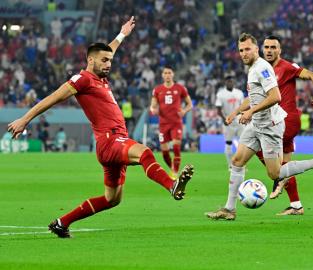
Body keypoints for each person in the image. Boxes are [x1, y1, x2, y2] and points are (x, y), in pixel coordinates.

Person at [7, 17, 194, 238]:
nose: (109, 64)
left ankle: (61, 223)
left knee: (112, 199)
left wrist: (122, 34)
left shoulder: (100, 77)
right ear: (90, 60)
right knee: (144, 153)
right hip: (110, 140)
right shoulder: (82, 79)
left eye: (110, 61)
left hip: (112, 144)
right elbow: (53, 98)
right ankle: (172, 185)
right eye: (104, 61)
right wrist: (25, 119)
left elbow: (109, 49)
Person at [205, 33, 313, 221]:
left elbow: (276, 97)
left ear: (256, 49)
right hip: (256, 124)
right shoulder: (253, 69)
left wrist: (250, 112)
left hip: (270, 126)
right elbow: (253, 97)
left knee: (275, 172)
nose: (243, 53)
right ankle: (229, 209)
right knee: (236, 161)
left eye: (247, 49)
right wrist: (236, 112)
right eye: (241, 50)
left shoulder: (262, 68)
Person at [256, 35, 313, 215]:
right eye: (266, 47)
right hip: (275, 121)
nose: (269, 50)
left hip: (285, 120)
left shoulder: (287, 67)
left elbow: (312, 75)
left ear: (279, 50)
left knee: (257, 144)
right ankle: (296, 205)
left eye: (273, 47)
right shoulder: (261, 70)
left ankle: (282, 177)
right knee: (286, 165)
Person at [150, 66, 193, 179]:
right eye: (165, 73)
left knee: (176, 147)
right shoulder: (157, 89)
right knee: (164, 152)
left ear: (173, 74)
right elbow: (153, 105)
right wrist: (153, 109)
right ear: (162, 75)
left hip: (176, 123)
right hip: (163, 124)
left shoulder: (180, 88)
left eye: (169, 72)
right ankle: (173, 169)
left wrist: (184, 111)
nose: (167, 75)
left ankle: (174, 172)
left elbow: (190, 104)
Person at [215, 75, 245, 168]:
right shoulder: (220, 94)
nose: (230, 83)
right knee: (228, 143)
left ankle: (241, 163)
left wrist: (244, 116)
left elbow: (243, 106)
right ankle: (230, 165)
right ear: (225, 82)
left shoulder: (239, 93)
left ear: (234, 82)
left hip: (239, 120)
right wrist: (224, 119)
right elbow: (218, 109)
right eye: (228, 81)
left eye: (231, 81)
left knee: (243, 142)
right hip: (228, 121)